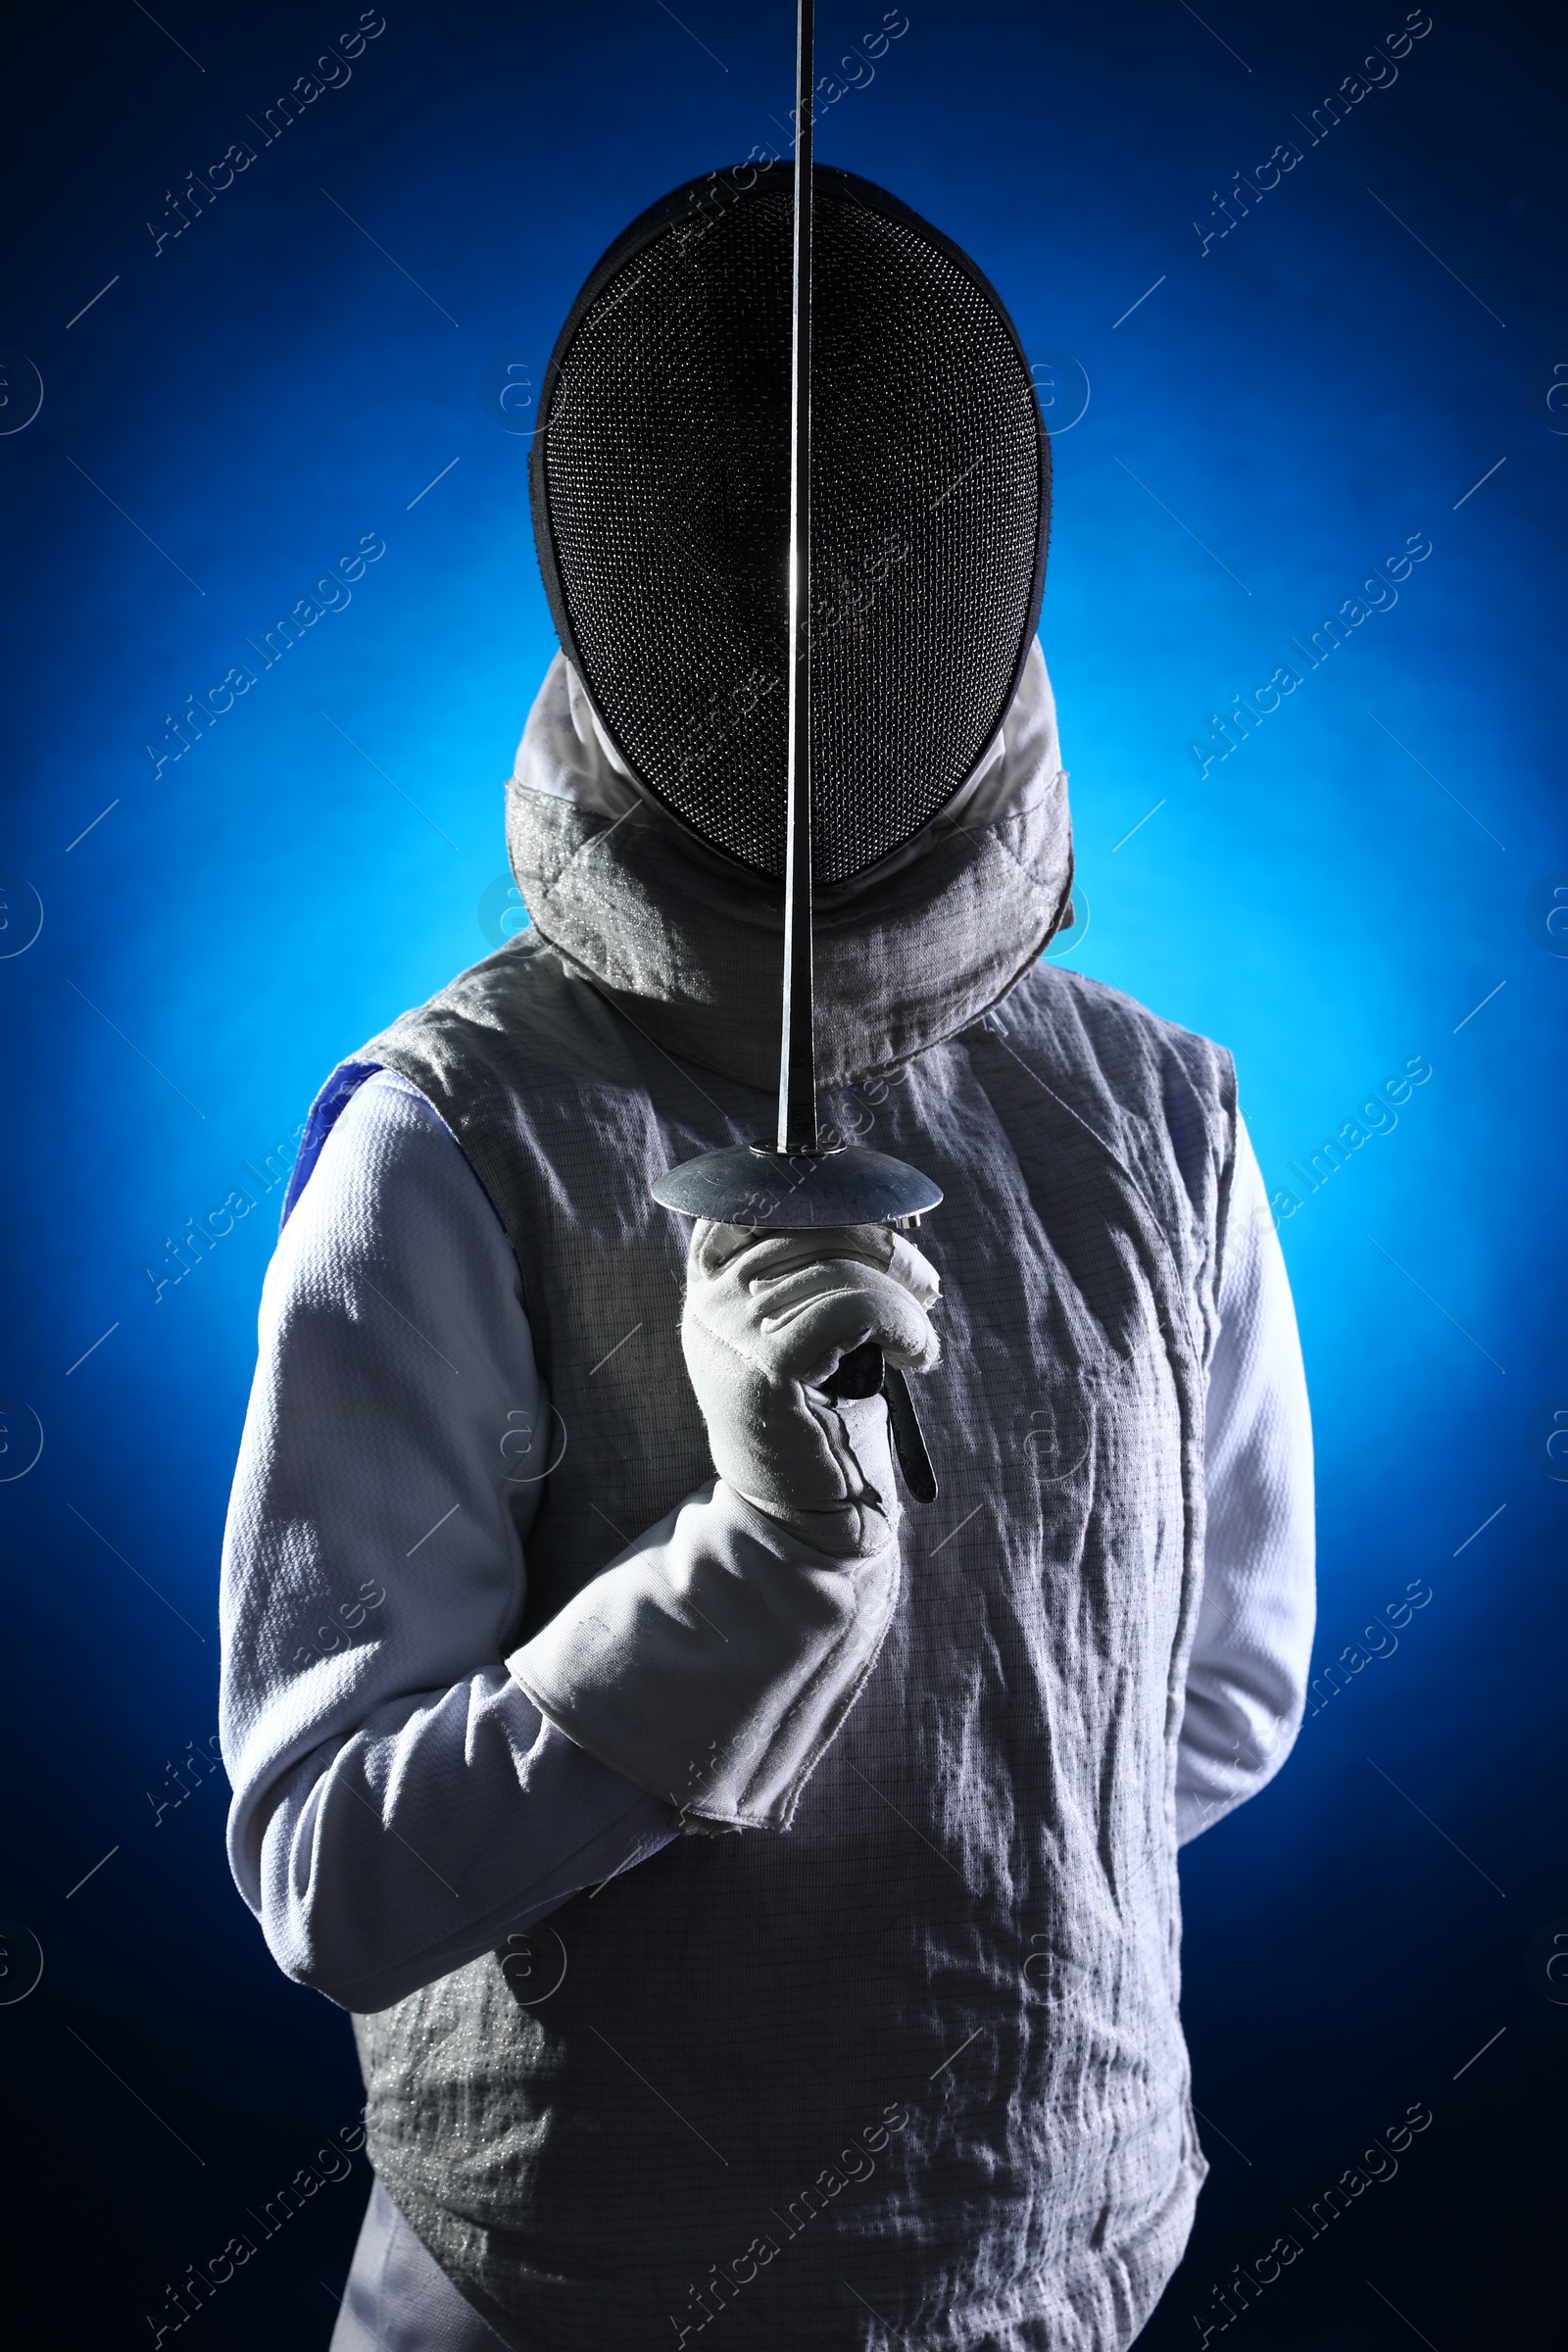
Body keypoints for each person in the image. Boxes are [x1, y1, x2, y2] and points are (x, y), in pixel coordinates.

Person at [220, 162, 1313, 2352]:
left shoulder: (1161, 1123)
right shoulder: (454, 1136)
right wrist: (749, 1588)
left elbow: (1212, 1695)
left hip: (1056, 2287)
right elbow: (335, 1879)